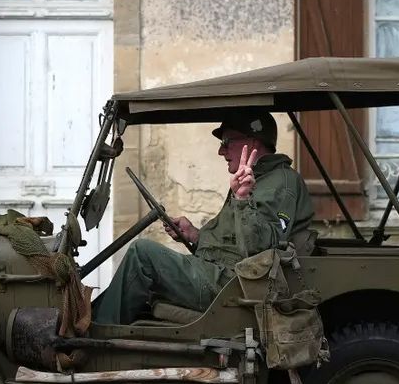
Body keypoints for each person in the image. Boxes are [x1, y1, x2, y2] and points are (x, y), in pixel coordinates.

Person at [91, 109, 314, 325]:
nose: (221, 152)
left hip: (236, 285)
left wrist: (243, 199)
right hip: (226, 276)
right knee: (142, 267)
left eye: (227, 143)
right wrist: (196, 235)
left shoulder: (282, 183)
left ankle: (94, 337)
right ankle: (89, 320)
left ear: (253, 142)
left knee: (143, 254)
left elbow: (261, 252)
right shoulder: (256, 178)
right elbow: (232, 242)